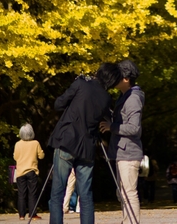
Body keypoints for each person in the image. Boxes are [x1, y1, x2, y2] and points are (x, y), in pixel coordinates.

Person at [48, 63, 122, 224]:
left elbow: (58, 104)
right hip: (87, 147)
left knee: (58, 193)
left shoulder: (81, 84)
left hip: (67, 141)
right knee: (86, 195)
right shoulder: (106, 97)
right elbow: (107, 119)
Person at [100, 59, 145, 224]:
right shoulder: (125, 96)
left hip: (129, 152)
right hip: (122, 151)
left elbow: (134, 128)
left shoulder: (132, 98)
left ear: (126, 78)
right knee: (123, 193)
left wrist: (112, 126)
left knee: (129, 192)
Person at [14, 123, 45, 220]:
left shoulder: (18, 144)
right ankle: (33, 214)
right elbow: (41, 156)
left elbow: (15, 157)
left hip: (20, 172)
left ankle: (21, 215)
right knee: (32, 193)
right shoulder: (35, 143)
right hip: (32, 170)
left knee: (21, 193)